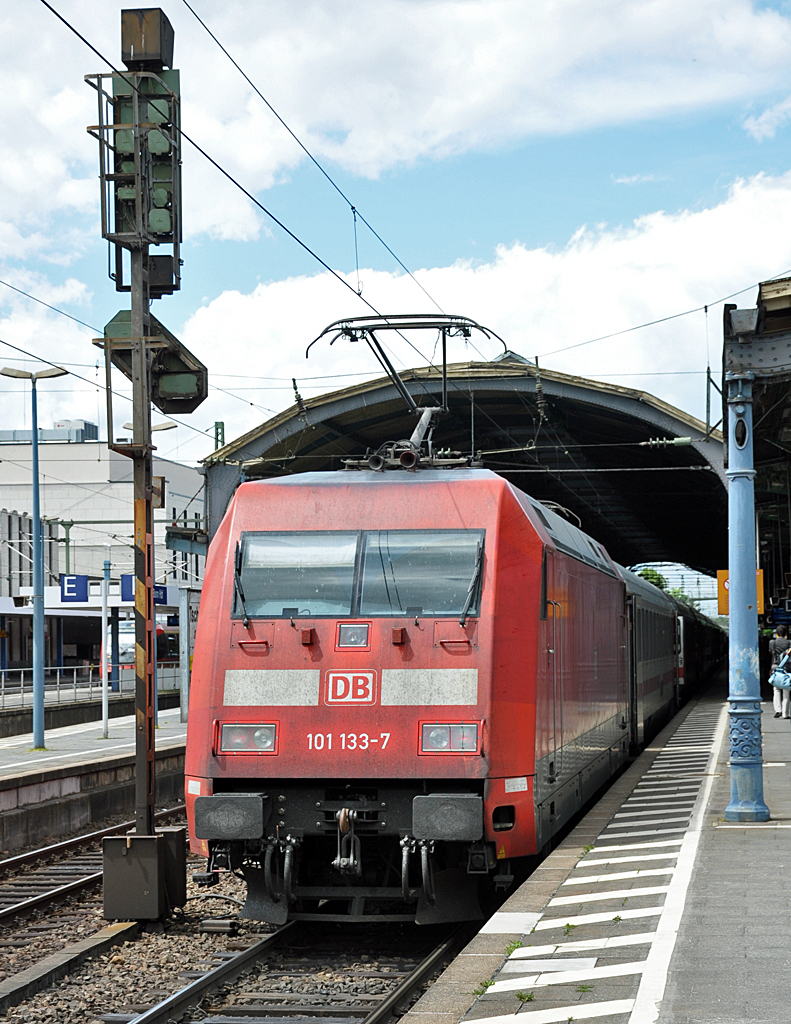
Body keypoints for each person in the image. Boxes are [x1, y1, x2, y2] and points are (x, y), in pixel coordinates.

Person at [769, 624, 791, 719]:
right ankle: (785, 714)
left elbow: (771, 652)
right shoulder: (789, 642)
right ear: (786, 633)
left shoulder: (772, 642)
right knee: (786, 690)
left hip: (775, 667)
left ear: (777, 633)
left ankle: (778, 710)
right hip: (787, 668)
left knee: (776, 690)